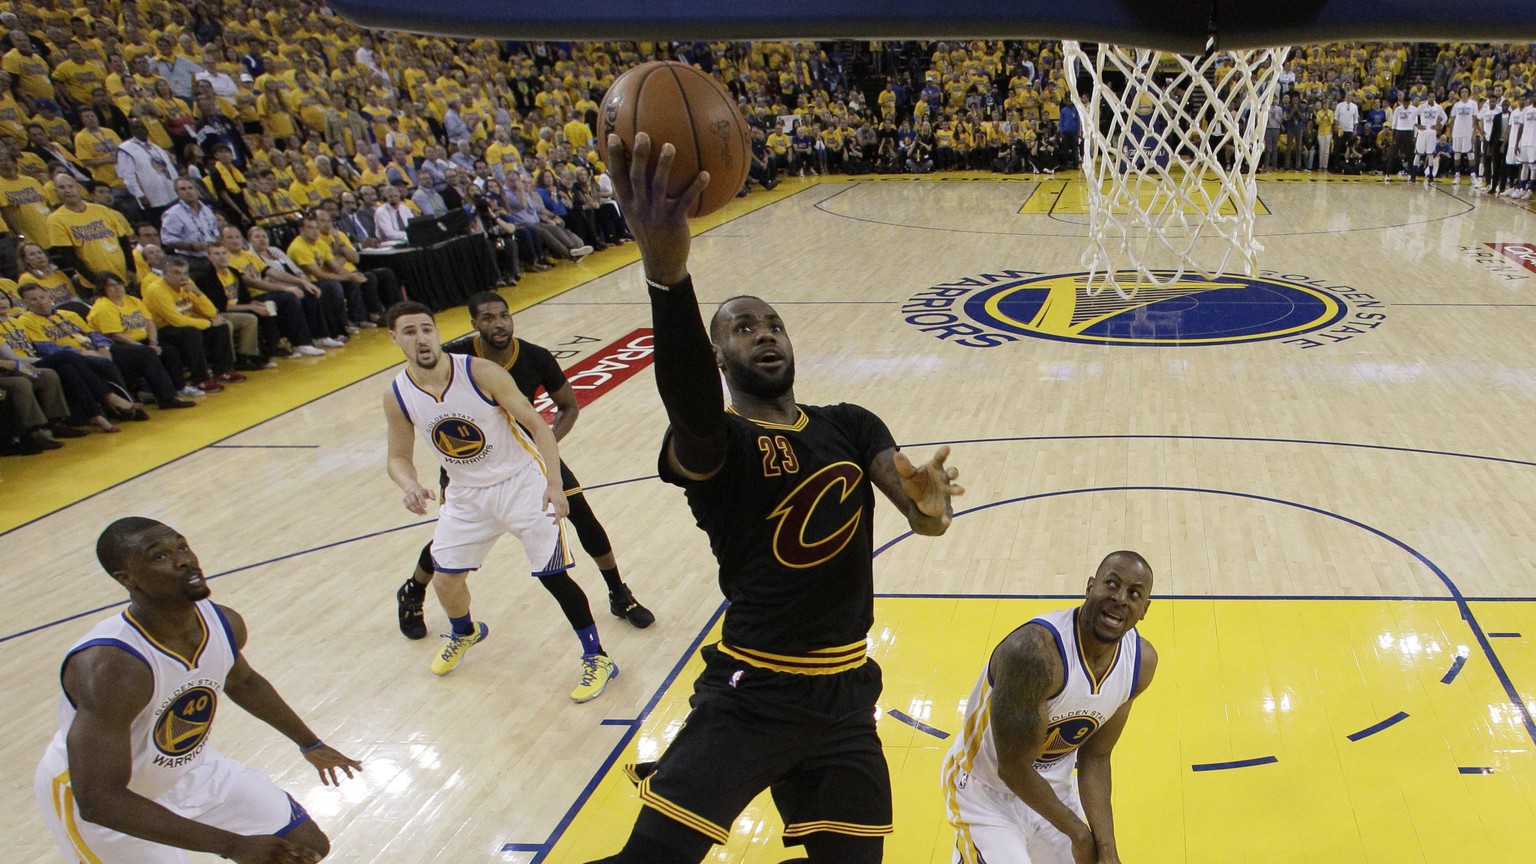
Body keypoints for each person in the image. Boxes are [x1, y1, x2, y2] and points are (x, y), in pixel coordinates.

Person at [587, 133, 963, 862]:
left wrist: (930, 505)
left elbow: (924, 521)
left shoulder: (849, 424)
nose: (764, 335)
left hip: (846, 693)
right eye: (742, 328)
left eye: (773, 325)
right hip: (752, 691)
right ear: (718, 355)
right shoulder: (716, 442)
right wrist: (669, 276)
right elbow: (690, 408)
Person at [33, 517, 361, 864]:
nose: (184, 560)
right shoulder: (114, 666)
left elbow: (243, 682)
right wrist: (233, 844)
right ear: (126, 579)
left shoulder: (222, 622)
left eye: (182, 546)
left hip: (188, 771)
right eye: (160, 556)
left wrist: (311, 744)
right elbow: (98, 799)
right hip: (109, 797)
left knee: (305, 847)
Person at [383, 300, 619, 702]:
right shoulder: (398, 394)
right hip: (465, 493)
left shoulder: (481, 373)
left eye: (426, 328)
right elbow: (398, 456)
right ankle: (464, 631)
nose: (420, 338)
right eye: (409, 332)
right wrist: (408, 484)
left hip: (519, 483)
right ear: (395, 339)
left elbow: (536, 426)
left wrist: (554, 483)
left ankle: (598, 658)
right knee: (445, 578)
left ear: (436, 332)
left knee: (553, 576)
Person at [396, 291, 655, 643]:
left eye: (504, 316)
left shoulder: (535, 357)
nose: (498, 324)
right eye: (487, 318)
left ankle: (618, 593)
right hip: (468, 462)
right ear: (474, 325)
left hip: (524, 457)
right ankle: (414, 590)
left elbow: (568, 408)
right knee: (451, 538)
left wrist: (542, 448)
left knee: (583, 516)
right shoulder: (453, 356)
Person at [942, 551, 1157, 864]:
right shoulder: (1035, 653)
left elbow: (1096, 757)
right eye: (1111, 584)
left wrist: (1108, 850)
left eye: (1134, 594)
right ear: (1090, 587)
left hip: (1053, 792)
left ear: (1144, 609)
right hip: (985, 792)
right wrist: (1079, 833)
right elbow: (1013, 767)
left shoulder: (1139, 665)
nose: (1121, 599)